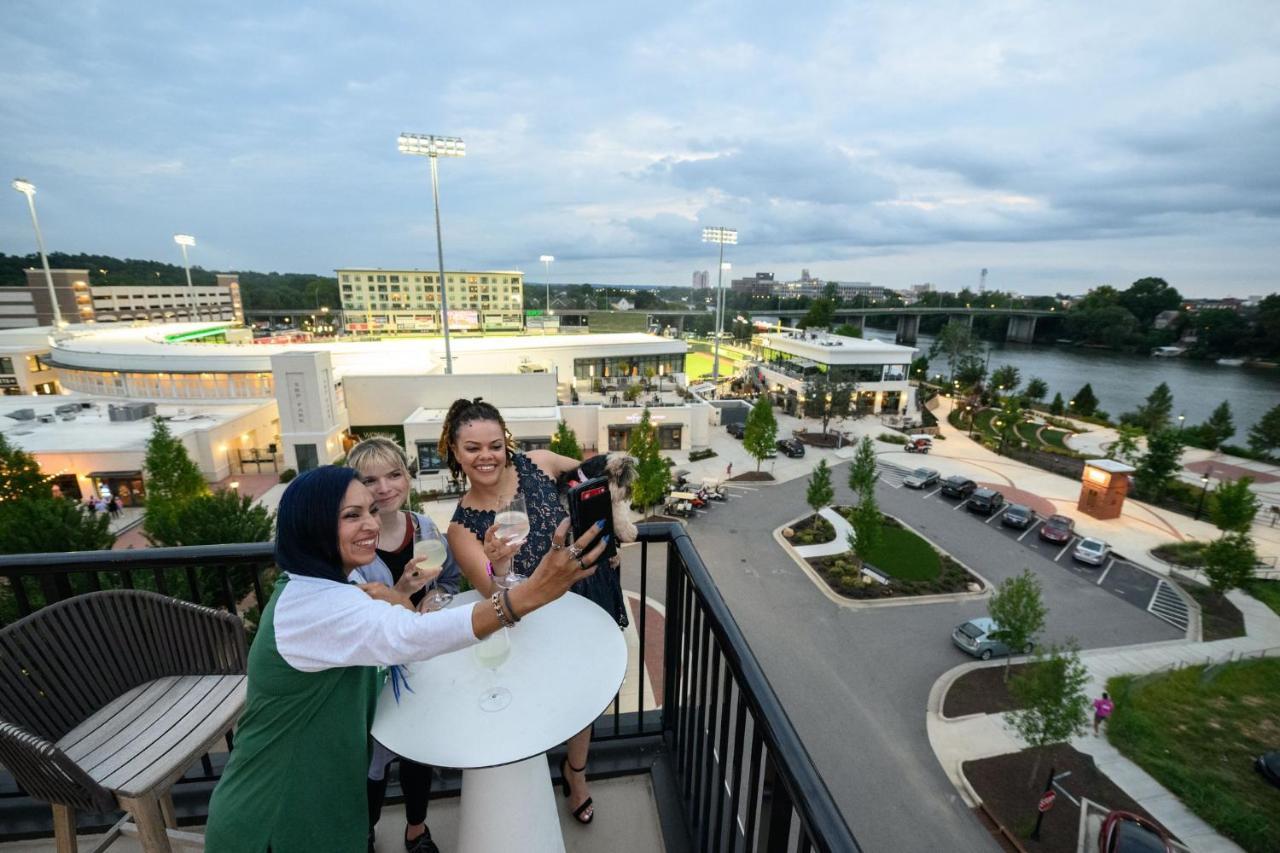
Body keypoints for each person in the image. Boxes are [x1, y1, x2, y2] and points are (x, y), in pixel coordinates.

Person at [204, 465, 605, 852]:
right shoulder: (312, 606)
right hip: (276, 808)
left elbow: (402, 631)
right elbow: (413, 634)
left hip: (321, 786)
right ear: (312, 526)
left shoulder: (328, 589)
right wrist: (532, 593)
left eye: (371, 512)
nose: (371, 525)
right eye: (351, 515)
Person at [444, 398, 625, 825]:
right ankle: (525, 788)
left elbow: (592, 478)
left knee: (585, 698)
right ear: (455, 452)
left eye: (493, 444)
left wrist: (609, 522)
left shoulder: (539, 463)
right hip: (535, 623)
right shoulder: (461, 528)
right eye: (472, 448)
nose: (485, 456)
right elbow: (499, 599)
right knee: (536, 706)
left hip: (590, 595)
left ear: (505, 442)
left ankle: (575, 774)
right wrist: (500, 563)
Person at [347, 436, 461, 853]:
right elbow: (364, 620)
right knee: (373, 762)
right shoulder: (354, 544)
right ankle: (366, 831)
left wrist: (435, 597)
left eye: (394, 474)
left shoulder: (425, 527)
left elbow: (449, 579)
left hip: (420, 663)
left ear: (408, 478)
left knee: (417, 752)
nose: (384, 487)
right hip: (376, 673)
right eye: (370, 479)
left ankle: (416, 829)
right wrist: (403, 589)